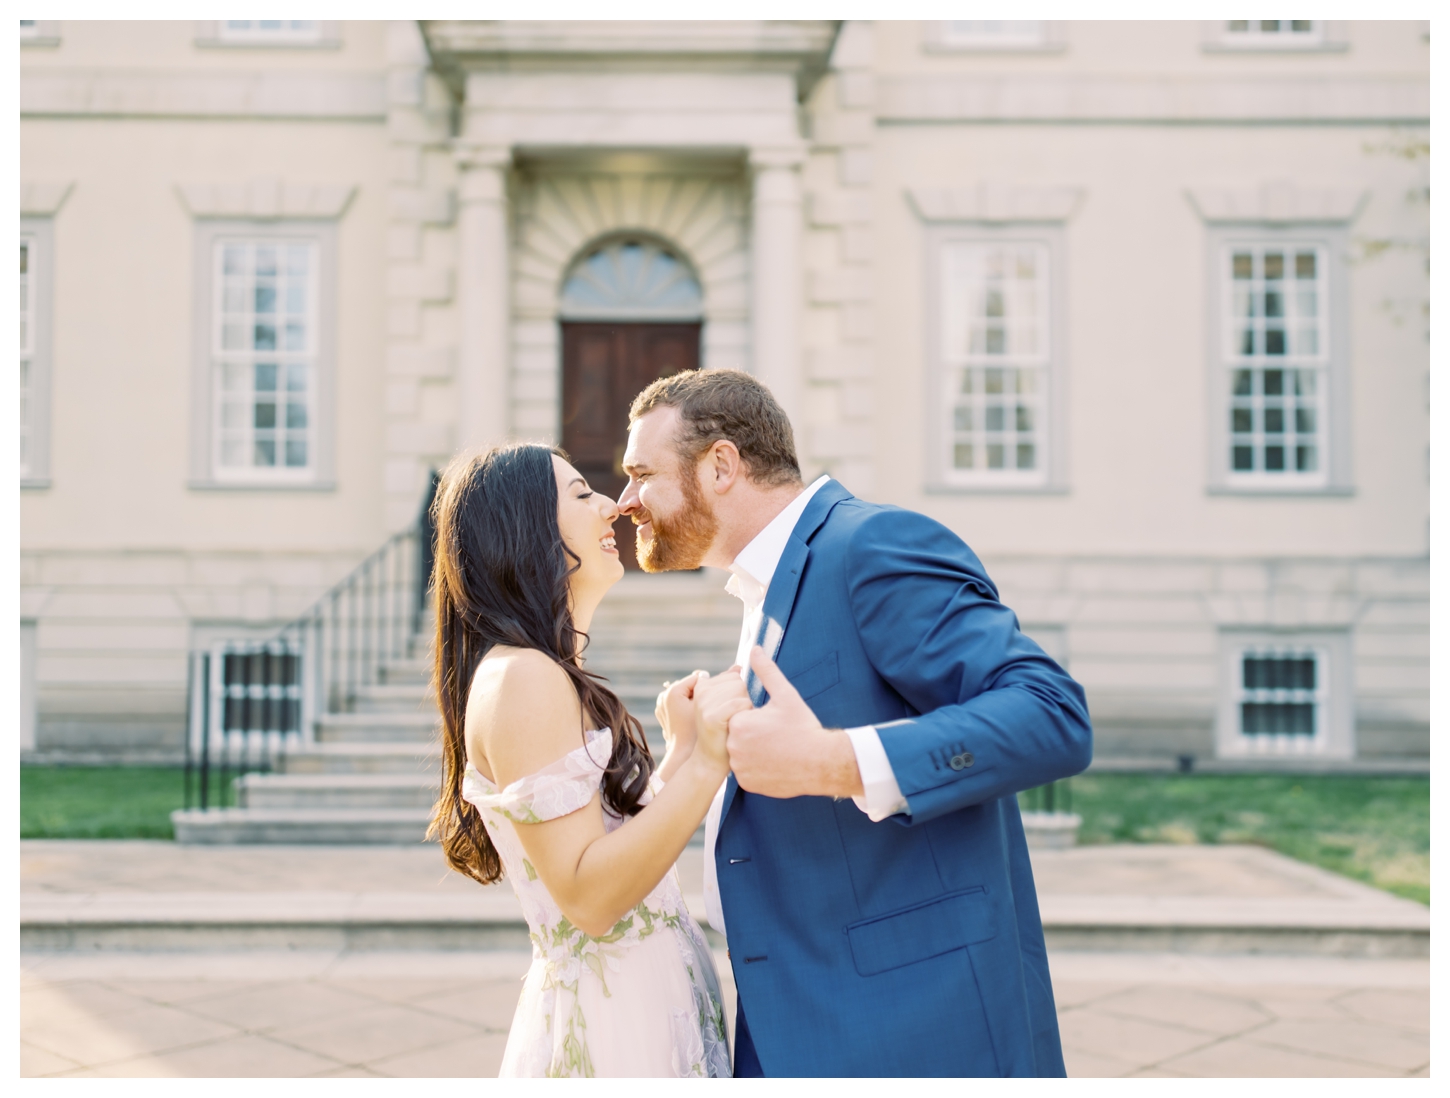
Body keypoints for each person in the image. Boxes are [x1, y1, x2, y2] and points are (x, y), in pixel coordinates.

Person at [618, 369, 1094, 1078]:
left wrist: (834, 763)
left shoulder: (870, 546)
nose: (626, 501)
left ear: (721, 465)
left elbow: (1051, 713)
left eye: (641, 474)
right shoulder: (770, 584)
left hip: (912, 1036)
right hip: (797, 1025)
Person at [426, 444, 745, 1078]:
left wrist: (680, 753)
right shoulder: (524, 680)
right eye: (581, 495)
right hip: (613, 1032)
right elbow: (590, 896)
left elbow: (609, 851)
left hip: (639, 1008)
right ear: (526, 532)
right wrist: (710, 760)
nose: (614, 506)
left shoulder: (541, 674)